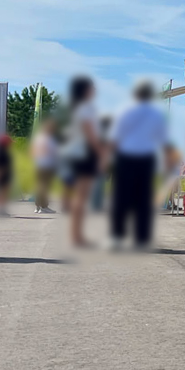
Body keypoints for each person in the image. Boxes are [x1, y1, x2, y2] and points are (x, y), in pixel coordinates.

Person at [109, 80, 166, 248]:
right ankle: (141, 238)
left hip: (124, 158)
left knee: (121, 199)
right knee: (143, 200)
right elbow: (161, 139)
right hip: (145, 158)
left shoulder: (124, 111)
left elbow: (115, 137)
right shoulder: (156, 114)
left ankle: (117, 237)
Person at [63, 76, 102, 247]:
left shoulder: (78, 107)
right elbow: (90, 133)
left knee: (81, 196)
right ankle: (77, 236)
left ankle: (76, 234)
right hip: (85, 154)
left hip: (79, 154)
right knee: (82, 196)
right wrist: (100, 152)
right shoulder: (86, 108)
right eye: (92, 87)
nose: (94, 90)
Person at [31, 118, 60, 214]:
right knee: (44, 186)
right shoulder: (48, 139)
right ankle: (44, 206)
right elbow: (53, 152)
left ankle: (38, 206)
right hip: (46, 165)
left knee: (39, 186)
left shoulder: (38, 138)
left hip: (38, 164)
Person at [0, 135, 13, 217]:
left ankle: (1, 209)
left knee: (3, 193)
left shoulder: (2, 152)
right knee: (2, 193)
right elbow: (0, 166)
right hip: (2, 176)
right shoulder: (2, 153)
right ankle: (0, 209)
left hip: (4, 175)